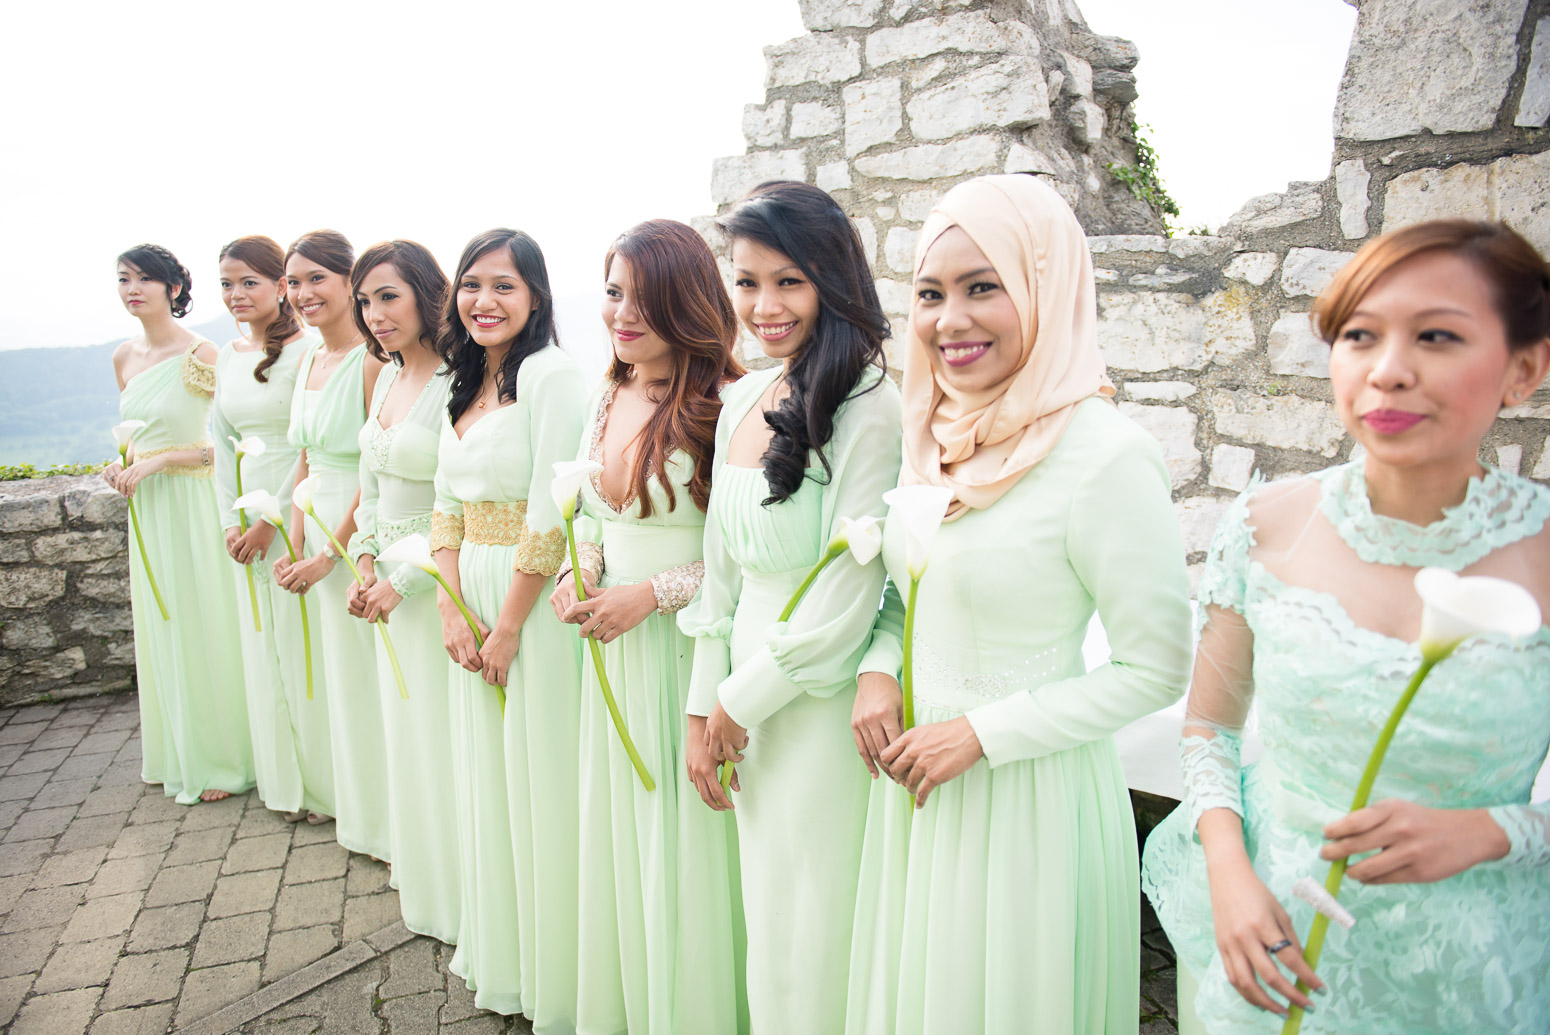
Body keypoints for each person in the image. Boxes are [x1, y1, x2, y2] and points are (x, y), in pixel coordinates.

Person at [1140, 219, 1550, 1034]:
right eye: (1360, 336)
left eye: (1436, 336)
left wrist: (1494, 828)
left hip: (1469, 967)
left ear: (1524, 369)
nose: (1388, 372)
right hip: (1272, 940)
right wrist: (1230, 871)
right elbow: (1208, 728)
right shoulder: (1265, 523)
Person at [841, 174, 1192, 1035]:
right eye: (930, 294)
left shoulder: (1106, 456)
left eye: (982, 287)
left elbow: (1157, 667)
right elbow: (908, 589)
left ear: (1045, 287)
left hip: (1029, 799)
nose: (949, 320)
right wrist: (878, 672)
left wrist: (984, 734)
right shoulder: (934, 435)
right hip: (919, 785)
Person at [678, 180, 901, 1032]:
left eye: (788, 281)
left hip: (813, 694)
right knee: (766, 903)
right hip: (741, 681)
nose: (764, 305)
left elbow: (852, 595)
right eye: (746, 280)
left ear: (832, 280)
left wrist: (744, 699)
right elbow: (719, 576)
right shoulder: (742, 395)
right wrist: (705, 704)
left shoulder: (870, 404)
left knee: (818, 906)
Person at [551, 219, 747, 1035]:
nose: (621, 314)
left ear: (687, 302)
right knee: (625, 828)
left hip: (686, 649)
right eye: (612, 292)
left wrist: (651, 593)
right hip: (612, 652)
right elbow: (592, 514)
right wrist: (579, 568)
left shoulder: (726, 406)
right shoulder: (607, 393)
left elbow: (743, 559)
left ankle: (700, 1005)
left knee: (687, 835)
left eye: (642, 297)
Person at [430, 228, 586, 1025]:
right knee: (489, 776)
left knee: (540, 774)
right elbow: (442, 504)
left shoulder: (553, 377)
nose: (483, 301)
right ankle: (508, 949)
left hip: (530, 605)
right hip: (467, 595)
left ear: (535, 297)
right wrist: (451, 608)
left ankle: (558, 963)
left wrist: (508, 625)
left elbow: (550, 509)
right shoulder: (461, 380)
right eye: (470, 284)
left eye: (503, 286)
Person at [105, 243, 255, 804]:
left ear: (173, 288)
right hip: (147, 508)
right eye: (124, 279)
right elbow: (136, 436)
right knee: (161, 626)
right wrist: (120, 465)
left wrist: (162, 460)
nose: (133, 288)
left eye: (146, 278)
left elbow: (225, 445)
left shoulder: (202, 352)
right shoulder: (123, 357)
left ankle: (222, 757)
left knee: (202, 621)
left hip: (190, 503)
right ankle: (177, 750)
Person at [343, 240, 460, 943]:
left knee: (446, 741)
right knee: (407, 738)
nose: (375, 313)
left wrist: (405, 580)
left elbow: (461, 502)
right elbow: (372, 486)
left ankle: (465, 889)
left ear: (423, 292)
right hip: (381, 578)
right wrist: (361, 559)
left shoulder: (459, 378)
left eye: (388, 295)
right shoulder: (381, 377)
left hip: (435, 581)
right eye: (365, 300)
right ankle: (428, 882)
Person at [274, 230, 389, 859]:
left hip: (353, 534)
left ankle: (392, 824)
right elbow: (303, 457)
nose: (302, 292)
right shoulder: (305, 361)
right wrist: (294, 542)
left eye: (317, 278)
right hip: (311, 526)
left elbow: (371, 469)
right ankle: (354, 809)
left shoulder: (370, 362)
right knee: (335, 683)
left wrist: (329, 556)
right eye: (293, 281)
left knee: (367, 681)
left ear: (350, 283)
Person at [212, 235, 334, 824]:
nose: (237, 295)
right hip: (243, 519)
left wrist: (270, 520)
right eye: (227, 284)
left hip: (294, 514)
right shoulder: (228, 355)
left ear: (279, 287)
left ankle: (324, 787)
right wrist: (230, 521)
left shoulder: (308, 352)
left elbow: (308, 446)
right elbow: (219, 446)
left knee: (303, 647)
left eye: (249, 283)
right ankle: (284, 782)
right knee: (263, 650)